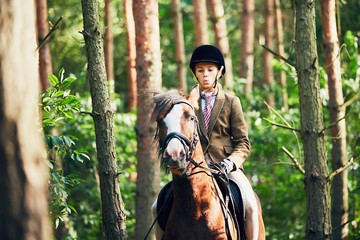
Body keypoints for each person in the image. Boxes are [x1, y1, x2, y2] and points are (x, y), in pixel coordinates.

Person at [189, 44, 262, 240]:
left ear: (219, 71)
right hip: (195, 169)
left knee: (250, 205)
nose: (205, 75)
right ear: (195, 73)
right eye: (200, 70)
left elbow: (243, 143)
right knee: (157, 206)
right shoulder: (187, 103)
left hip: (226, 168)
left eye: (210, 70)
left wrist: (231, 162)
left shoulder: (231, 101)